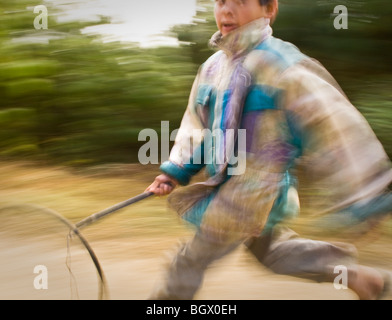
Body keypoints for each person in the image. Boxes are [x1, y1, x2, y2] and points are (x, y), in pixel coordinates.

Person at [145, 0, 392, 300]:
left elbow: (335, 126)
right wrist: (174, 171)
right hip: (232, 192)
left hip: (254, 194)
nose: (226, 10)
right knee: (272, 253)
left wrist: (365, 196)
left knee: (187, 261)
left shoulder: (283, 65)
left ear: (269, 8)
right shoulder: (212, 69)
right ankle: (358, 277)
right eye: (221, 1)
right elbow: (197, 129)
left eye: (239, 1)